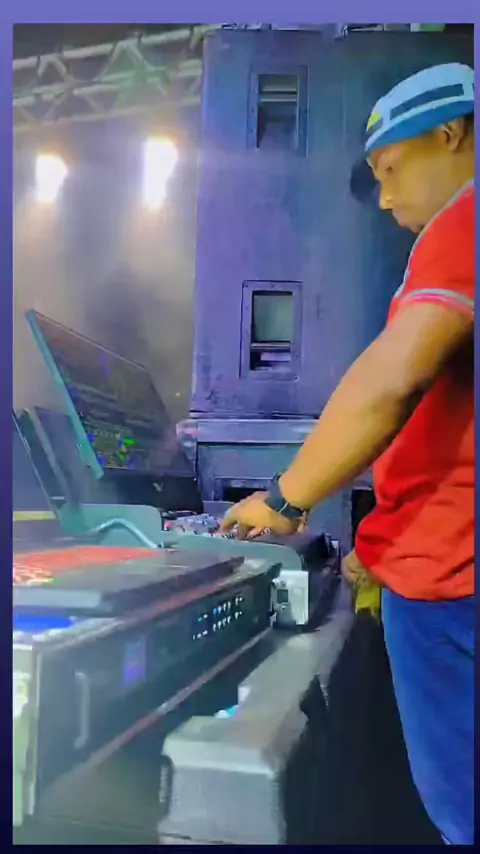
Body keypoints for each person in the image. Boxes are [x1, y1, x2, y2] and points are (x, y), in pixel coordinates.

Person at [220, 63, 474, 846]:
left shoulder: (465, 223)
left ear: (451, 133)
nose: (386, 199)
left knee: (463, 814)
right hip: (433, 562)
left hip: (450, 579)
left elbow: (396, 378)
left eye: (390, 170)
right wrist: (379, 545)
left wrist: (285, 498)